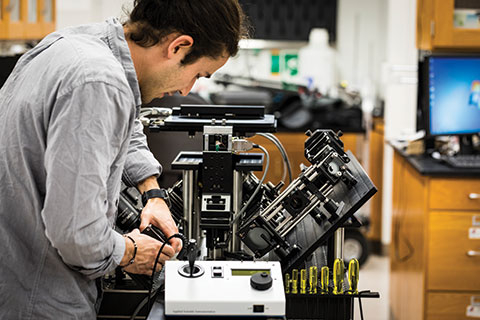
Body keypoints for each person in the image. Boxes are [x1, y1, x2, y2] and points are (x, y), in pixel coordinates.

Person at [0, 0, 248, 318]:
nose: (187, 90)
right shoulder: (100, 83)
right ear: (179, 46)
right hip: (37, 300)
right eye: (197, 74)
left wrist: (153, 194)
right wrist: (131, 252)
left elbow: (125, 123)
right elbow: (77, 236)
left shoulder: (76, 44)